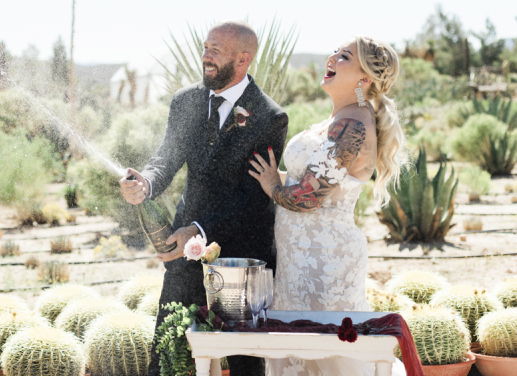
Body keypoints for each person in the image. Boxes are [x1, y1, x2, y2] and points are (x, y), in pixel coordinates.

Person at [120, 20, 288, 376]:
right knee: (168, 350)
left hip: (242, 255)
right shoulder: (186, 100)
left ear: (243, 60)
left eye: (216, 50)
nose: (205, 56)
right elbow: (166, 157)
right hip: (185, 252)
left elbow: (252, 199)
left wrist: (198, 230)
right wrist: (145, 184)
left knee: (244, 361)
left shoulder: (270, 117)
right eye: (205, 47)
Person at [248, 36, 407, 376]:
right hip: (298, 261)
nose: (332, 57)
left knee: (328, 355)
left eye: (344, 56)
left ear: (364, 79)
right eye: (336, 51)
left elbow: (309, 197)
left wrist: (273, 185)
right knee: (300, 355)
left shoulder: (353, 125)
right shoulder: (340, 118)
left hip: (325, 264)